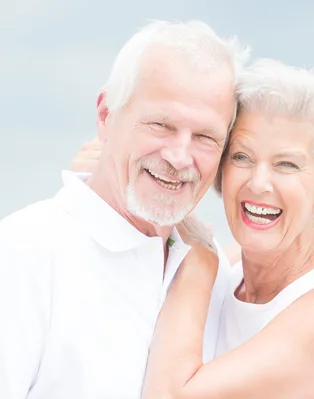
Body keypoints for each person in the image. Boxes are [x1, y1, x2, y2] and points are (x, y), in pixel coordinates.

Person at [0, 20, 246, 398]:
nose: (180, 158)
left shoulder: (213, 276)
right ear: (105, 115)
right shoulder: (23, 252)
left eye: (205, 137)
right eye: (161, 125)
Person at [141, 59, 314, 398]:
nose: (259, 184)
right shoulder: (229, 270)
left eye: (286, 165)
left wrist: (198, 260)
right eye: (242, 157)